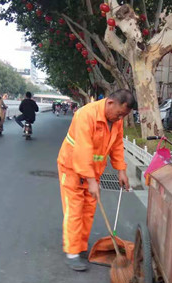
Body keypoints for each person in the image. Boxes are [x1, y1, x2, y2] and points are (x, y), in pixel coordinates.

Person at [57, 89, 134, 271]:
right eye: (120, 113)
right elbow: (83, 150)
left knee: (88, 209)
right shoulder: (86, 114)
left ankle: (81, 247)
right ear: (110, 103)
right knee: (75, 209)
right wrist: (91, 181)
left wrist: (121, 170)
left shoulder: (117, 121)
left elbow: (117, 144)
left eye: (124, 115)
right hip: (72, 168)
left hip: (94, 171)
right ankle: (72, 252)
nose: (120, 118)